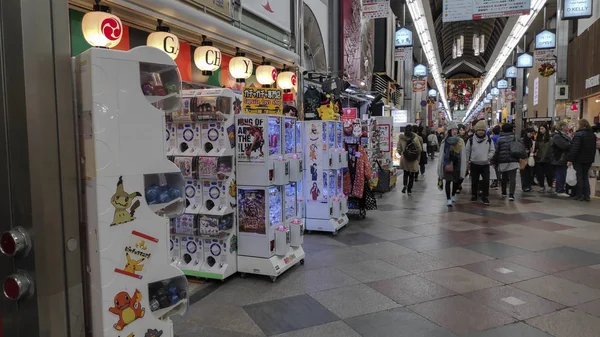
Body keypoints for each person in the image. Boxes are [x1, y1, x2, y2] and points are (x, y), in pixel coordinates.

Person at [567, 119, 597, 202]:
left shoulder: (578, 134)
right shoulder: (592, 135)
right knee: (585, 177)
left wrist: (570, 159)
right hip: (588, 159)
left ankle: (579, 195)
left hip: (579, 159)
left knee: (579, 176)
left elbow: (575, 148)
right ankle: (587, 195)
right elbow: (594, 149)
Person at [438, 122, 467, 207]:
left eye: (456, 130)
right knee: (448, 182)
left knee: (456, 182)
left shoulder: (460, 141)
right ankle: (448, 199)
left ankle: (453, 194)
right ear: (450, 131)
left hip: (457, 164)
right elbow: (442, 154)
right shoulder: (445, 141)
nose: (454, 131)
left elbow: (463, 154)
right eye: (453, 130)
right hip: (447, 164)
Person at [466, 121, 495, 205]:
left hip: (485, 164)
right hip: (474, 163)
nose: (481, 131)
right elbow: (467, 151)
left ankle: (485, 196)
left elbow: (492, 150)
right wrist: (467, 161)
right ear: (476, 130)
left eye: (482, 129)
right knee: (474, 181)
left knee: (486, 181)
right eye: (479, 130)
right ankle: (474, 195)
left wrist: (488, 157)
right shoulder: (471, 139)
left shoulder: (489, 139)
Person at [494, 123, 524, 201]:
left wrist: (494, 161)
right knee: (512, 178)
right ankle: (511, 195)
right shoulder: (516, 137)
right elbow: (521, 147)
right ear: (512, 129)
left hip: (502, 160)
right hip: (513, 160)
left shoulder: (500, 139)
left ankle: (504, 192)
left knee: (504, 177)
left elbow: (496, 151)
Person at [397, 124, 422, 195]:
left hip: (405, 158)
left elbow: (398, 148)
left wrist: (402, 154)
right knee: (412, 174)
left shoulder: (401, 138)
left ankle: (405, 185)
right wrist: (416, 155)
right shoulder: (415, 138)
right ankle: (409, 190)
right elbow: (419, 148)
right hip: (413, 159)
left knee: (406, 173)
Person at [552, 121, 572, 197]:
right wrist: (570, 144)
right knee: (560, 174)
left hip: (563, 157)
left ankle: (560, 189)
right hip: (560, 158)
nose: (567, 128)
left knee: (562, 174)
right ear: (562, 127)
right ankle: (559, 190)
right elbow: (564, 146)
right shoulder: (557, 136)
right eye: (566, 126)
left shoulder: (564, 135)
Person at [534, 124, 555, 193]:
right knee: (539, 173)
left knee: (548, 173)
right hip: (539, 158)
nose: (541, 130)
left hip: (547, 159)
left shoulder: (550, 138)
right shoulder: (538, 138)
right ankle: (542, 186)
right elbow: (536, 147)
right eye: (540, 129)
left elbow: (551, 149)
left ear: (546, 129)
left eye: (542, 129)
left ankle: (549, 186)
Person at [520, 127, 535, 192]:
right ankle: (525, 186)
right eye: (530, 133)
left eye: (532, 133)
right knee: (524, 173)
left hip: (530, 158)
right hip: (523, 158)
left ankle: (529, 186)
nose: (531, 134)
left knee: (530, 173)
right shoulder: (522, 140)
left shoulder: (532, 140)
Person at [455, 124, 469, 194]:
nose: (462, 131)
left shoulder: (467, 138)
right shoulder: (455, 138)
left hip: (465, 157)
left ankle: (459, 183)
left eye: (463, 130)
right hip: (457, 157)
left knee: (465, 172)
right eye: (460, 130)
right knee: (457, 171)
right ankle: (457, 185)